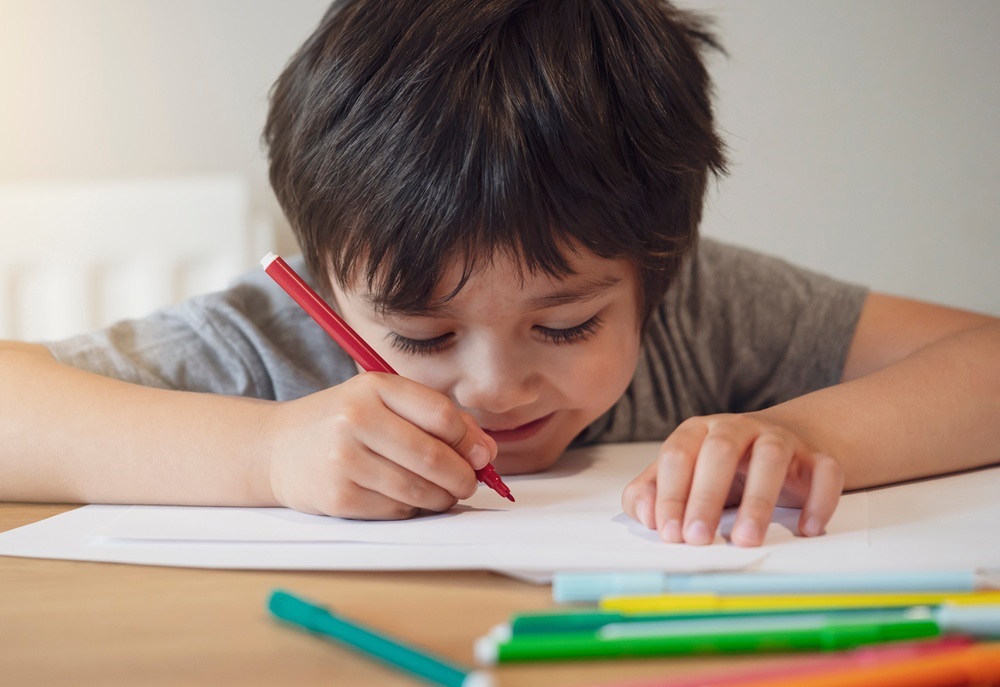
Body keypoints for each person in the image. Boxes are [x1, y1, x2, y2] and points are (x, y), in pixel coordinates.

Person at [0, 0, 996, 548]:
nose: (494, 386)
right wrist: (263, 455)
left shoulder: (707, 309)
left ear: (659, 267)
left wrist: (805, 433)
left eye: (565, 327)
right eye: (424, 336)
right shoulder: (265, 342)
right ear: (326, 277)